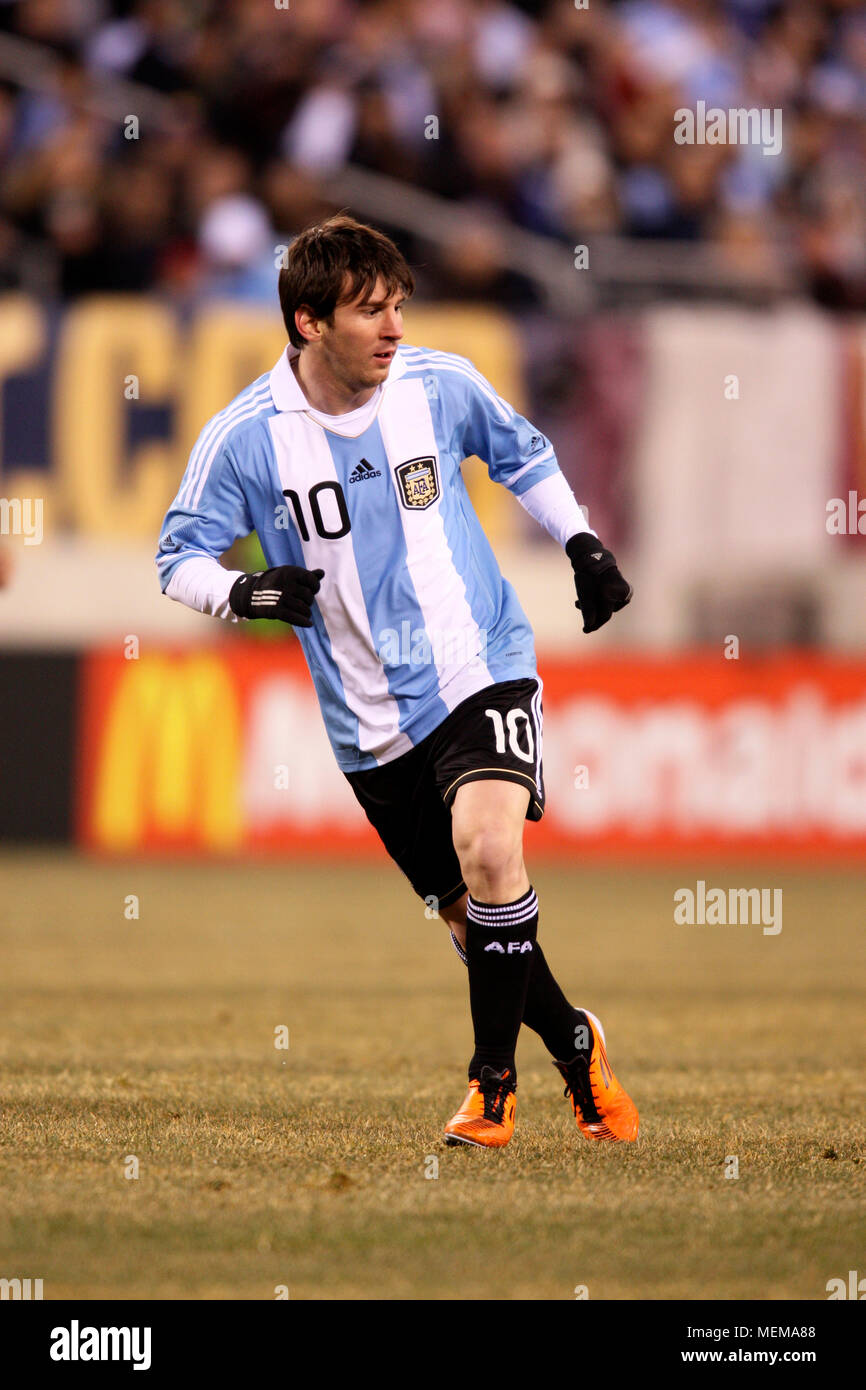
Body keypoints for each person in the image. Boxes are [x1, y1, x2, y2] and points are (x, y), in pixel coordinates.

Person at [156, 213, 638, 1148]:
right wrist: (246, 590)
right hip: (368, 722)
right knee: (474, 923)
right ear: (307, 323)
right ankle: (578, 1046)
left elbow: (522, 451)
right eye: (369, 310)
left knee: (491, 850)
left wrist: (579, 540)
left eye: (399, 306)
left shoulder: (437, 384)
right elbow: (177, 559)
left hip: (478, 661)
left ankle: (490, 1090)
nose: (394, 327)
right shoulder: (248, 439)